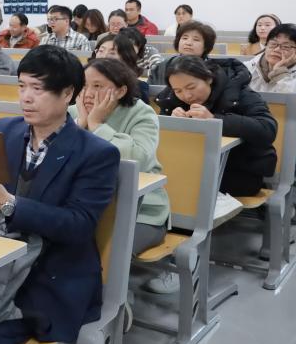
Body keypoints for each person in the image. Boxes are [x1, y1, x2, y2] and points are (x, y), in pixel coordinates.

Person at [0, 45, 118, 344]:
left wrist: (8, 204)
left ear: (68, 94)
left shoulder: (96, 153)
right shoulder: (7, 129)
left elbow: (78, 225)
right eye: (21, 86)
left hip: (47, 275)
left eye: (38, 89)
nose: (26, 98)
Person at [69, 58, 169, 254]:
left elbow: (138, 159)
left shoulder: (142, 114)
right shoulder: (74, 111)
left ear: (121, 91)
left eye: (97, 86)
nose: (88, 93)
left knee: (105, 253)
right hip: (84, 205)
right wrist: (80, 125)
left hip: (140, 212)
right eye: (84, 85)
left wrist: (97, 125)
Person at [156, 56, 277, 196]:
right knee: (167, 184)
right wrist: (171, 122)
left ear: (208, 78)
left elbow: (267, 128)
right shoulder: (171, 99)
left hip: (239, 170)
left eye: (191, 87)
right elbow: (159, 136)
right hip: (192, 165)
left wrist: (214, 119)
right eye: (178, 91)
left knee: (181, 188)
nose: (187, 96)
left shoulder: (238, 91)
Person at [149, 20, 217, 84]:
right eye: (185, 38)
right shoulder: (162, 66)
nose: (188, 43)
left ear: (206, 46)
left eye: (196, 39)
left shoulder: (214, 71)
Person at [92, 33, 151, 104]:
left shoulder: (139, 87)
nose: (104, 56)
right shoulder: (85, 79)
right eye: (101, 51)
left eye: (112, 53)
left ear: (125, 58)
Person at [244, 23, 296, 93]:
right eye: (273, 44)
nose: (276, 49)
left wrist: (280, 73)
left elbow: (290, 98)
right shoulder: (247, 68)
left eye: (285, 46)